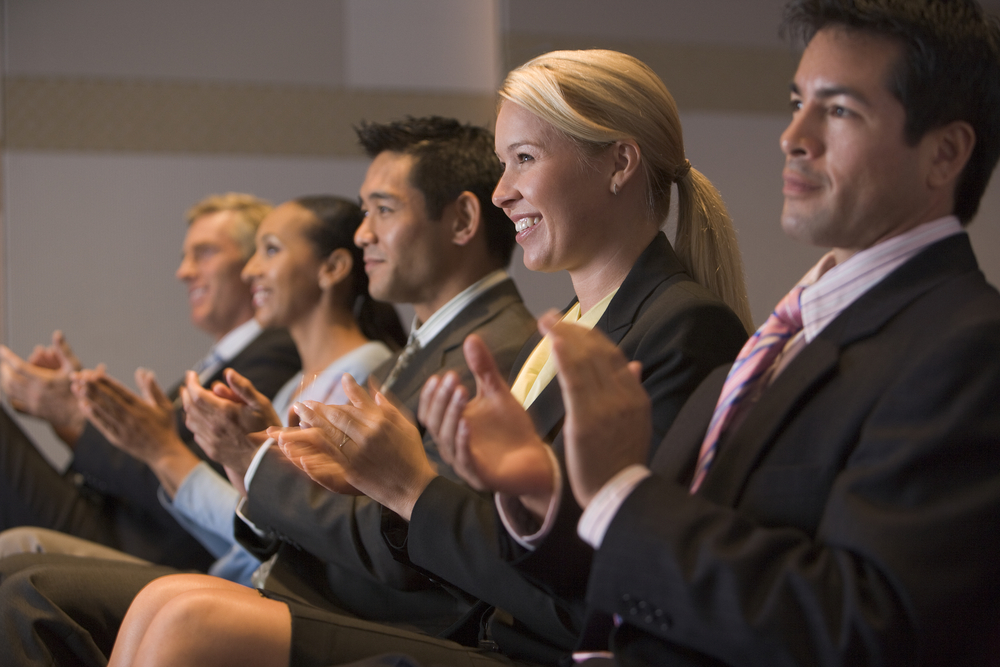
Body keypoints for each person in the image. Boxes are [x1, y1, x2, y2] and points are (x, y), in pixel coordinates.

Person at [316, 1, 1000, 665]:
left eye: (841, 110)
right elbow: (662, 556)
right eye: (798, 104)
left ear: (945, 154)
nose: (793, 137)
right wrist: (545, 497)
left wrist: (614, 491)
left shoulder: (966, 346)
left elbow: (860, 627)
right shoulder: (796, 332)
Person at [105, 50, 752, 667]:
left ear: (619, 164)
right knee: (165, 604)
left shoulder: (682, 326)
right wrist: (355, 471)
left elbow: (601, 572)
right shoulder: (572, 328)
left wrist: (411, 486)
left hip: (524, 643)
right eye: (502, 164)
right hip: (482, 625)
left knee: (183, 617)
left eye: (523, 159)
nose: (503, 192)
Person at [0, 117, 537, 667]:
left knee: (41, 592)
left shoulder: (486, 351)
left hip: (390, 616)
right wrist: (263, 458)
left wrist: (256, 461)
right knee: (56, 587)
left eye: (383, 209)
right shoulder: (430, 345)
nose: (362, 232)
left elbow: (409, 542)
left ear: (464, 220)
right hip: (321, 582)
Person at [23, 195, 403, 585]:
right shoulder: (294, 383)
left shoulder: (362, 373)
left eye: (269, 250)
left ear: (333, 268)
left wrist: (163, 451)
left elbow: (293, 540)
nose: (252, 270)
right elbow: (247, 535)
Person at [0, 193, 301, 570]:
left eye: (204, 253)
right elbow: (144, 452)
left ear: (254, 263)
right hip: (110, 517)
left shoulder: (275, 352)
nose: (184, 272)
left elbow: (188, 483)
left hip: (141, 543)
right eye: (184, 258)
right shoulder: (221, 361)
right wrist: (77, 411)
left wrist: (77, 413)